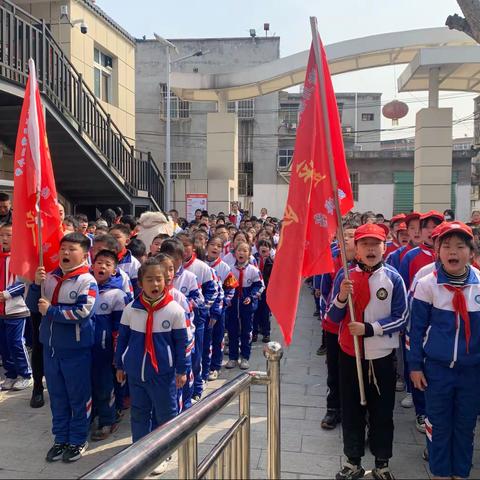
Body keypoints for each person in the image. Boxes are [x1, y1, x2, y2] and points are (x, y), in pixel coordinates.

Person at [328, 223, 407, 480]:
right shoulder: (345, 276)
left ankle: (382, 463)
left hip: (382, 357)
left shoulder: (393, 278)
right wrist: (341, 297)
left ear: (385, 247)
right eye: (364, 244)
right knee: (352, 410)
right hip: (350, 355)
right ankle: (353, 462)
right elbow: (331, 317)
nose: (370, 249)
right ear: (356, 250)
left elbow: (402, 317)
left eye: (376, 244)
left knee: (382, 411)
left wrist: (370, 329)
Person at [408, 222, 480, 479]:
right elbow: (415, 330)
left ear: (471, 252)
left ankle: (460, 473)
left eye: (460, 246)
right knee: (437, 426)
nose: (453, 252)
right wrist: (415, 366)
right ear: (437, 251)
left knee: (465, 426)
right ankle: (439, 473)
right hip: (436, 371)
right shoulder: (428, 284)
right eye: (447, 246)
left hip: (472, 373)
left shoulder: (479, 284)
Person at [26, 232, 98, 463]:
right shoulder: (49, 276)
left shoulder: (87, 280)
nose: (65, 253)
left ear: (85, 254)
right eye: (63, 248)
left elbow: (83, 312)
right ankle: (60, 438)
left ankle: (77, 440)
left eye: (72, 249)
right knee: (57, 396)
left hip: (76, 350)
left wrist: (53, 312)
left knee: (77, 396)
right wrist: (36, 286)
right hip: (51, 347)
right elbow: (32, 306)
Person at [115, 257, 187, 443]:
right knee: (139, 412)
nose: (155, 284)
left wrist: (182, 370)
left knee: (165, 413)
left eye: (159, 279)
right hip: (136, 373)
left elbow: (181, 343)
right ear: (140, 283)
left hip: (162, 373)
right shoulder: (131, 309)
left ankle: (164, 450)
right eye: (149, 279)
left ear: (166, 281)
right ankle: (139, 446)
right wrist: (120, 365)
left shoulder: (174, 310)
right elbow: (122, 339)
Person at [318, 222, 358, 430]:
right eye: (346, 236)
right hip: (335, 326)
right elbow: (324, 291)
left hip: (358, 329)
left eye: (353, 236)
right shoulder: (332, 262)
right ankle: (333, 408)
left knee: (353, 372)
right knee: (334, 369)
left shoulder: (368, 267)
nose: (349, 239)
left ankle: (355, 412)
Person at [90, 250, 128, 441]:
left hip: (105, 351)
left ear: (114, 271)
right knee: (88, 385)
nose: (102, 267)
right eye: (99, 263)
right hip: (85, 349)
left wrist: (117, 353)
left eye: (107, 264)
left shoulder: (117, 295)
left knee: (105, 386)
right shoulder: (85, 288)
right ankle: (90, 417)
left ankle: (108, 420)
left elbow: (119, 330)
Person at [178, 234, 218, 400]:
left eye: (186, 245)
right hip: (177, 322)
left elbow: (212, 290)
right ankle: (183, 391)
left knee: (196, 356)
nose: (183, 250)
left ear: (192, 248)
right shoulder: (168, 268)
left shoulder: (201, 267)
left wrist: (202, 309)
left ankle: (197, 388)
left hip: (197, 320)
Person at [0, 223, 32, 390]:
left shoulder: (22, 257)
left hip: (16, 309)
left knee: (16, 342)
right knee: (3, 344)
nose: (4, 239)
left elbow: (25, 282)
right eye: (2, 235)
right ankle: (10, 375)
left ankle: (25, 374)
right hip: (0, 310)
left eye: (8, 235)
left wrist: (6, 294)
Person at [225, 242, 264, 371]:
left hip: (246, 301)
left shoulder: (253, 270)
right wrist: (228, 297)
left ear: (249, 254)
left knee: (247, 330)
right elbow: (227, 286)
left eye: (244, 251)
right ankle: (233, 357)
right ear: (235, 253)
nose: (241, 253)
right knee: (232, 330)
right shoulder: (230, 269)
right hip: (233, 301)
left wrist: (252, 296)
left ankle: (245, 357)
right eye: (239, 250)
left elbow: (260, 285)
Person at [204, 236, 237, 381]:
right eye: (212, 244)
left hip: (218, 309)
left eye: (218, 246)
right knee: (204, 340)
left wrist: (226, 301)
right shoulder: (201, 264)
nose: (215, 248)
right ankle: (204, 366)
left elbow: (231, 287)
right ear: (206, 246)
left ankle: (215, 366)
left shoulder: (224, 267)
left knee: (217, 338)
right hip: (203, 308)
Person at [110, 224, 141, 296]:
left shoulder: (133, 264)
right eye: (110, 237)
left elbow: (137, 291)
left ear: (127, 241)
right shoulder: (100, 259)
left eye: (117, 237)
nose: (112, 240)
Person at [252, 239, 274, 343]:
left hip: (267, 291)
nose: (264, 247)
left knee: (265, 313)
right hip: (255, 289)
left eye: (267, 246)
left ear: (270, 250)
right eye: (262, 245)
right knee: (255, 312)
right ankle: (254, 333)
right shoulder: (253, 260)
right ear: (258, 248)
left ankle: (266, 333)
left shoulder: (271, 262)